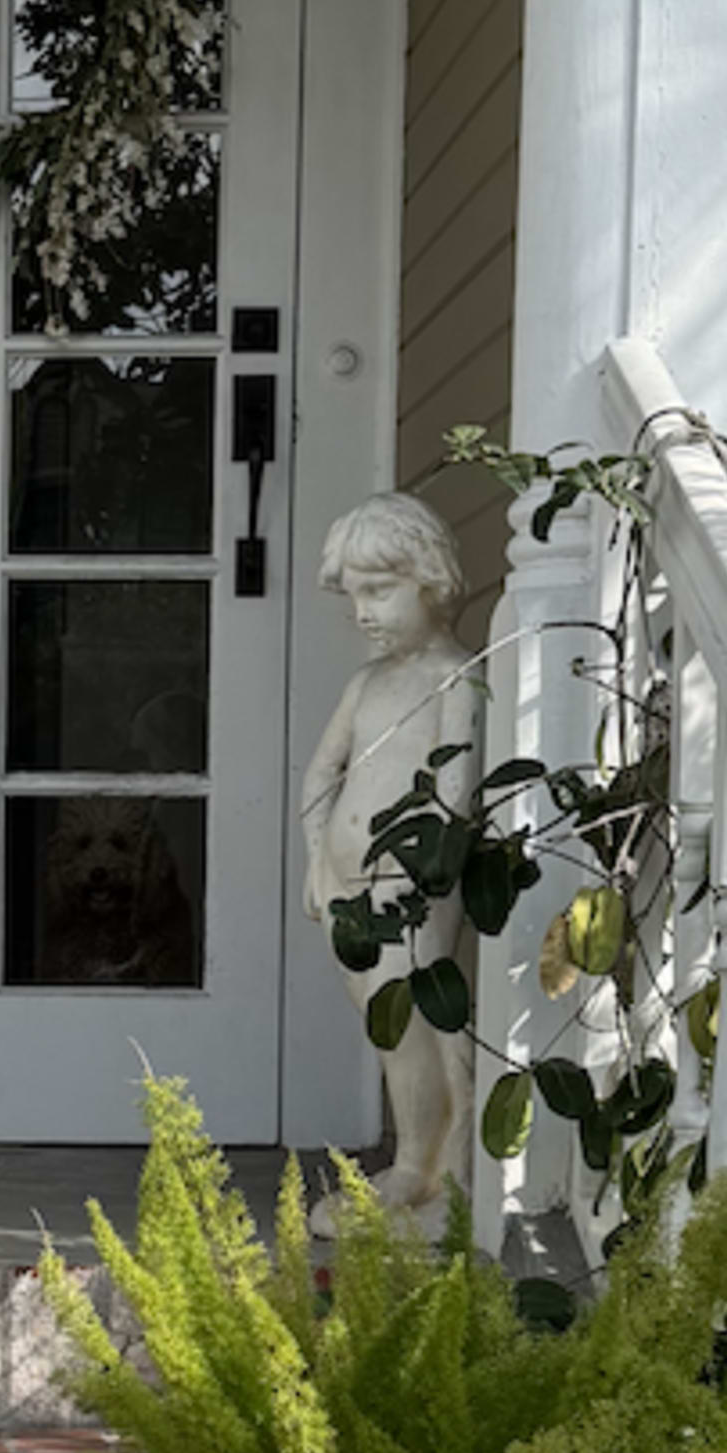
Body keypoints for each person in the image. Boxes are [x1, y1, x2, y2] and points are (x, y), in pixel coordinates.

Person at [298, 489, 484, 1219]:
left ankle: (425, 1167)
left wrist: (421, 869)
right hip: (347, 885)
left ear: (430, 579)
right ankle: (421, 1156)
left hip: (410, 886)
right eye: (354, 599)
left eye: (379, 591)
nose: (365, 613)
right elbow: (320, 774)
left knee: (414, 1018)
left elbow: (455, 792)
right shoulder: (365, 683)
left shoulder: (458, 677)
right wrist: (317, 857)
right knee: (386, 1025)